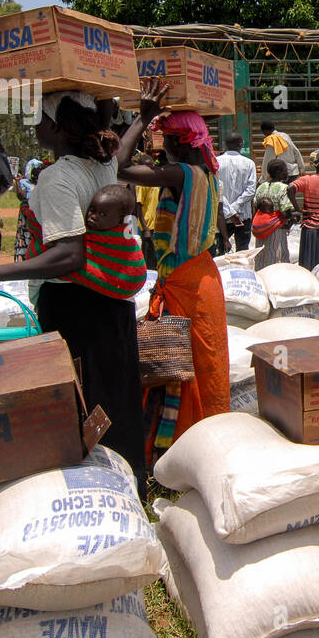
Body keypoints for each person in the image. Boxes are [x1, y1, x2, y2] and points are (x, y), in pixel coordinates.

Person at [0, 88, 149, 492]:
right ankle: (130, 482)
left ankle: (92, 488)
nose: (36, 126)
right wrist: (142, 118)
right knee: (114, 392)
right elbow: (122, 153)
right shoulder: (100, 165)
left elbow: (69, 255)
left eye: (41, 119)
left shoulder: (59, 176)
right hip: (111, 302)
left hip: (74, 305)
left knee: (81, 396)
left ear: (58, 127)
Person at [118, 91, 231, 457]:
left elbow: (119, 166)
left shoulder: (182, 173)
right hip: (200, 279)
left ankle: (185, 448)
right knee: (200, 364)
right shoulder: (206, 174)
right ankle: (200, 443)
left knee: (181, 368)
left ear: (179, 143)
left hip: (187, 285)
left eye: (165, 138)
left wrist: (142, 118)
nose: (161, 145)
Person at [217, 132, 257, 253]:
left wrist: (229, 211)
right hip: (243, 216)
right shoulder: (249, 163)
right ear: (241, 144)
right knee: (243, 251)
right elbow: (250, 190)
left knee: (221, 251)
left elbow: (216, 191)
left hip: (222, 216)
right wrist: (235, 208)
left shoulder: (216, 162)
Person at [253, 159, 296, 269]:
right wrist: (293, 218)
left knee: (261, 256)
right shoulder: (284, 188)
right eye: (285, 170)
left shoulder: (261, 187)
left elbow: (255, 204)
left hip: (262, 228)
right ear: (278, 172)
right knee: (277, 256)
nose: (287, 173)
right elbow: (286, 210)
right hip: (277, 229)